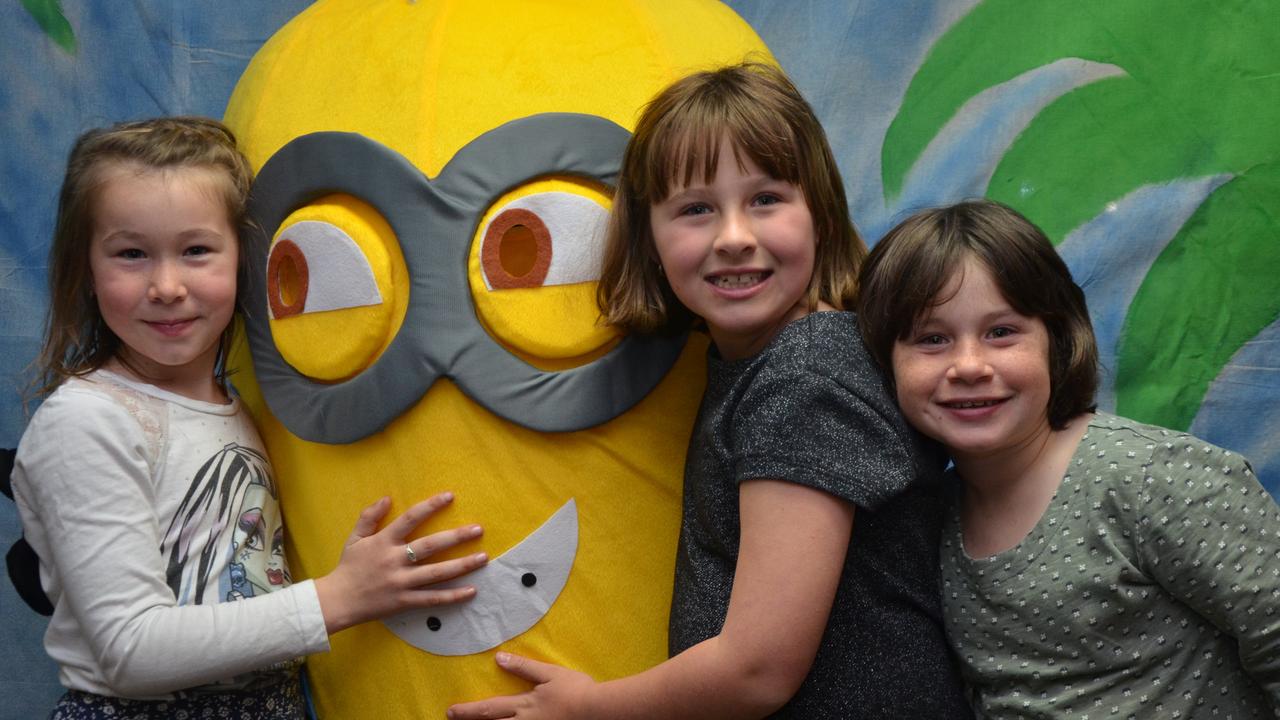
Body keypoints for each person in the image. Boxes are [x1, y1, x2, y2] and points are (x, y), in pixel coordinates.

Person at [447, 63, 971, 720]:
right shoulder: (755, 363)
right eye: (696, 209)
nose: (733, 238)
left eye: (766, 200)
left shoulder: (808, 369)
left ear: (821, 216)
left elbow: (758, 669)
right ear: (650, 240)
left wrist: (592, 708)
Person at [11, 116, 489, 719]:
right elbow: (129, 649)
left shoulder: (245, 407)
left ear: (245, 259)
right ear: (85, 268)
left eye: (196, 251)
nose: (166, 285)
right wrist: (339, 598)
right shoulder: (87, 421)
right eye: (131, 253)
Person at [856, 199, 1280, 717]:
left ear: (1057, 341)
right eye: (932, 339)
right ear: (885, 362)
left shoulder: (1151, 476)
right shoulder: (928, 520)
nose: (969, 365)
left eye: (1001, 332)